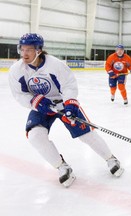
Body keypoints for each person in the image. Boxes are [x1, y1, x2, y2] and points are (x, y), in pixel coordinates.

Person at [8, 33, 124, 188]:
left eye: (29, 49)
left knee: (86, 133)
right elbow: (19, 94)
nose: (24, 54)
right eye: (22, 49)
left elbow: (69, 85)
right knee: (35, 135)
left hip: (62, 103)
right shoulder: (17, 70)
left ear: (39, 50)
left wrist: (70, 104)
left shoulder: (55, 65)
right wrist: (35, 102)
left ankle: (111, 159)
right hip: (41, 106)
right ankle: (62, 166)